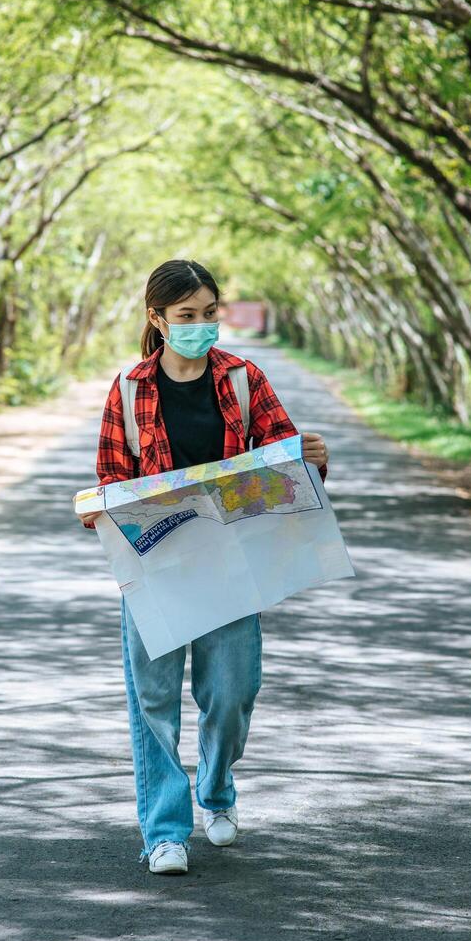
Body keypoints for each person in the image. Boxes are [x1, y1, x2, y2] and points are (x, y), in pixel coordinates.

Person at [76, 259, 329, 875]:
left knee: (234, 692)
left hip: (231, 564)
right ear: (157, 320)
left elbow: (282, 464)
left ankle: (216, 789)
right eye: (186, 316)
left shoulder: (243, 379)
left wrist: (310, 457)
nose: (200, 326)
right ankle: (165, 830)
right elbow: (112, 478)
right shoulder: (131, 390)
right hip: (156, 563)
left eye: (209, 313)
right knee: (153, 702)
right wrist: (102, 508)